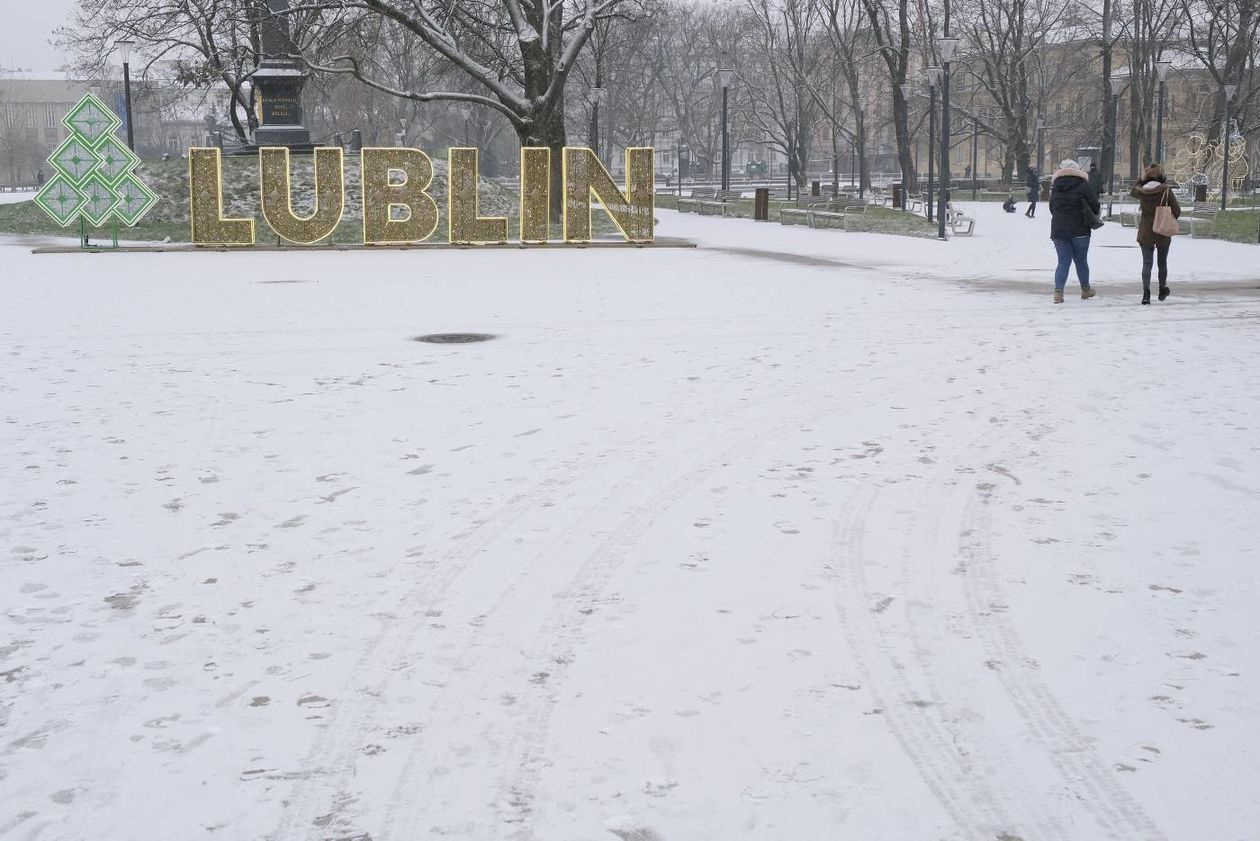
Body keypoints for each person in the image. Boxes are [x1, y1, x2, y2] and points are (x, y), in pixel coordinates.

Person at [1048, 158, 1101, 303]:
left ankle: (1058, 293)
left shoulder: (1055, 187)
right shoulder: (1083, 185)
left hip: (1059, 230)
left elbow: (1052, 208)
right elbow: (1095, 206)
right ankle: (1085, 290)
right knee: (1081, 261)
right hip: (1080, 229)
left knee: (1063, 262)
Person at [1130, 163, 1182, 304]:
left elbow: (1132, 191)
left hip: (1146, 230)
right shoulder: (1166, 190)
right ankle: (1161, 290)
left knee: (1147, 263)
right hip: (1162, 231)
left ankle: (1146, 293)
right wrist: (1168, 218)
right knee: (1162, 263)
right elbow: (1177, 210)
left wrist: (1141, 180)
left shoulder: (1141, 191)